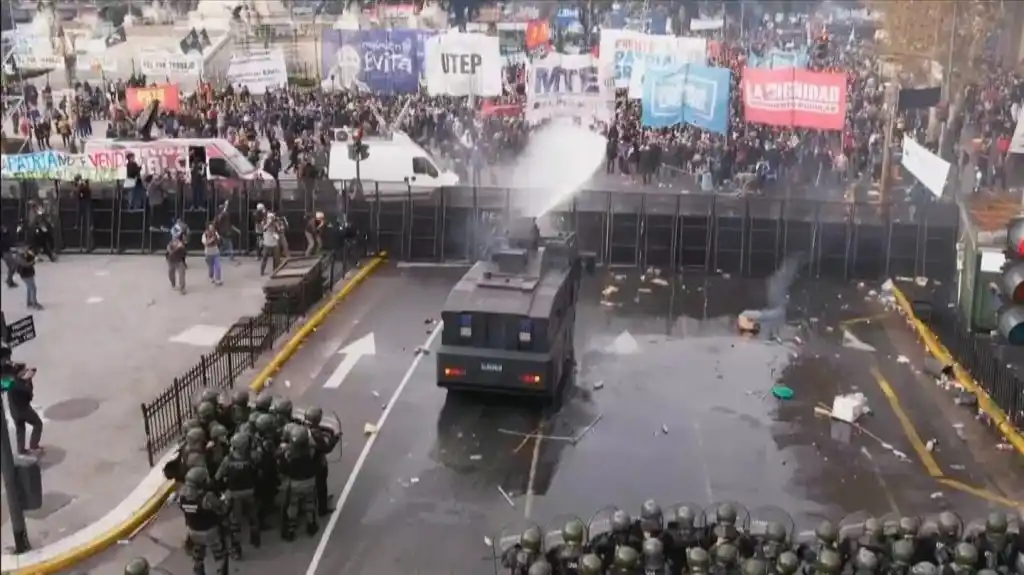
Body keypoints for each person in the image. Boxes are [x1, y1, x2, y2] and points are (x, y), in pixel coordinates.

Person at [6, 360, 44, 455]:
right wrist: (29, 380)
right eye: (24, 370)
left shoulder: (10, 382)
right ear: (19, 372)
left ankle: (21, 449)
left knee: (20, 428)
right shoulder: (21, 384)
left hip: (14, 411)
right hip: (23, 410)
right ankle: (34, 445)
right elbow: (29, 396)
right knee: (38, 423)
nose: (26, 371)